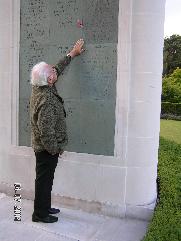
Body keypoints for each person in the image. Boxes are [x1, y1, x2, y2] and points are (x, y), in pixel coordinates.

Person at [30, 39, 85, 223]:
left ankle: (44, 207)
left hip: (47, 148)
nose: (55, 71)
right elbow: (45, 131)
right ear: (50, 79)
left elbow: (57, 67)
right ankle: (40, 214)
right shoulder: (46, 99)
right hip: (46, 148)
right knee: (44, 181)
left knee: (46, 180)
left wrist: (72, 53)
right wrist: (54, 149)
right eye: (52, 72)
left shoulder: (41, 85)